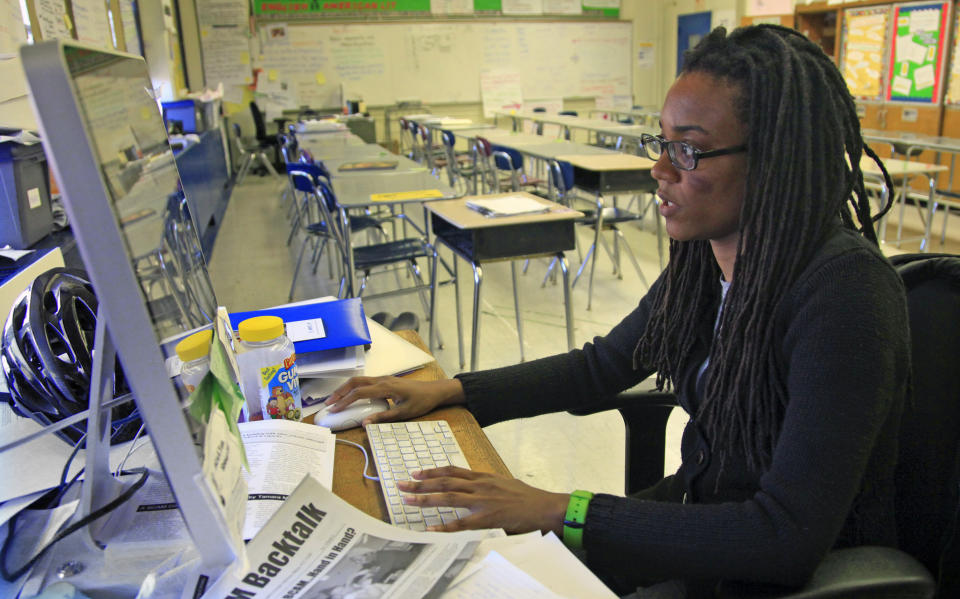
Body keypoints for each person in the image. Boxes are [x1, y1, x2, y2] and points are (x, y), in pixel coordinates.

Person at [325, 25, 909, 596]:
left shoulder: (844, 297)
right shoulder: (706, 264)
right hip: (692, 523)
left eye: (689, 149)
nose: (660, 170)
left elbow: (784, 536)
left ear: (775, 159)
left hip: (760, 572)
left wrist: (557, 509)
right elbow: (601, 365)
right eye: (661, 143)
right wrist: (452, 391)